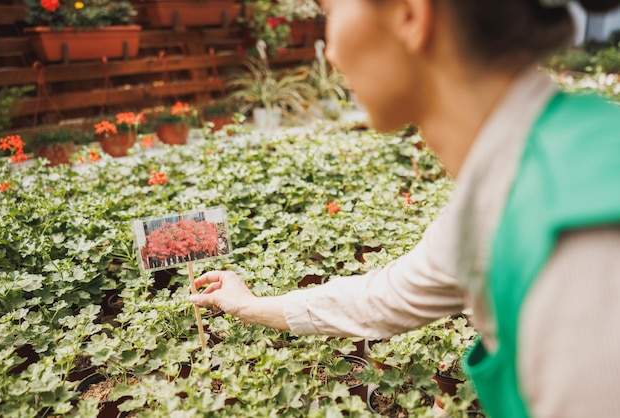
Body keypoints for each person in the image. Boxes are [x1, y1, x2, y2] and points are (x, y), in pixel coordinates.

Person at [190, 0, 620, 416]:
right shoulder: (514, 179)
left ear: (410, 14)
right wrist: (247, 305)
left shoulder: (576, 233)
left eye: (330, 12)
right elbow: (381, 298)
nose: (333, 54)